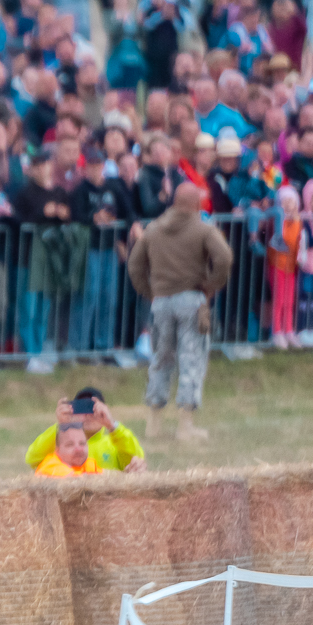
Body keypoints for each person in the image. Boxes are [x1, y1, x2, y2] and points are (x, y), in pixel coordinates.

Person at [128, 184, 234, 442]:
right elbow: (224, 258)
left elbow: (134, 265)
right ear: (197, 204)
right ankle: (185, 427)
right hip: (191, 299)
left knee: (161, 359)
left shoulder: (153, 229)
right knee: (191, 360)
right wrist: (210, 285)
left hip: (161, 301)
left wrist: (150, 291)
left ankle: (153, 424)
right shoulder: (202, 229)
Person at [25, 389, 144, 473]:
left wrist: (112, 425)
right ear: (73, 410)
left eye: (94, 408)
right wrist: (62, 426)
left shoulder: (114, 442)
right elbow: (33, 459)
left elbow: (137, 459)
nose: (88, 414)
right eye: (82, 407)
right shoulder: (64, 443)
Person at [35, 419, 103, 477]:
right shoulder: (50, 465)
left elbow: (106, 477)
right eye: (70, 445)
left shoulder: (89, 464)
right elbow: (72, 479)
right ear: (58, 450)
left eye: (82, 444)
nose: (78, 449)